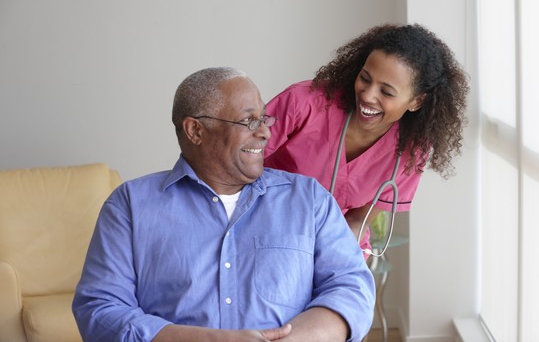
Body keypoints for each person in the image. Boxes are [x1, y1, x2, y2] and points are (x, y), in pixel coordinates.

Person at [72, 67, 375, 342]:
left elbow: (352, 288)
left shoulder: (309, 199)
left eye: (264, 118)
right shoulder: (130, 206)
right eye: (248, 120)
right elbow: (99, 310)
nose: (265, 132)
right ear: (195, 131)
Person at [264, 23, 469, 256]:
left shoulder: (411, 149)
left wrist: (332, 258)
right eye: (365, 78)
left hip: (335, 246)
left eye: (387, 92)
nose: (368, 95)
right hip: (266, 229)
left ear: (417, 101)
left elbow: (358, 220)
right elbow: (237, 164)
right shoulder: (303, 103)